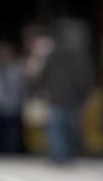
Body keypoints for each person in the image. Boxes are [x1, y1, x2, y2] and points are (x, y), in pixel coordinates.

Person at [38, 19, 93, 165]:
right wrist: (84, 96)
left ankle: (57, 156)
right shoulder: (79, 57)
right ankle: (68, 156)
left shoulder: (53, 55)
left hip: (56, 97)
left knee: (56, 129)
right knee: (70, 128)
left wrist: (42, 90)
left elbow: (43, 75)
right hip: (72, 98)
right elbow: (84, 78)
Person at [0, 42, 27, 154]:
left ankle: (12, 150)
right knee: (2, 131)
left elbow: (20, 86)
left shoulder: (16, 68)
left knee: (13, 131)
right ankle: (3, 149)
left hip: (14, 105)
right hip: (1, 106)